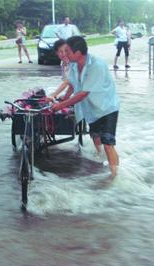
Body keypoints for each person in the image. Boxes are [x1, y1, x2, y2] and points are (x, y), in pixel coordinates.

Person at [51, 36, 120, 178]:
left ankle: (114, 177)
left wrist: (60, 106)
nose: (65, 54)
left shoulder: (96, 65)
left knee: (108, 143)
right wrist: (61, 99)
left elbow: (82, 94)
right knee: (95, 137)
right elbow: (71, 84)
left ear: (78, 53)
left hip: (107, 107)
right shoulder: (75, 65)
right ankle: (101, 160)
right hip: (91, 108)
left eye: (68, 51)